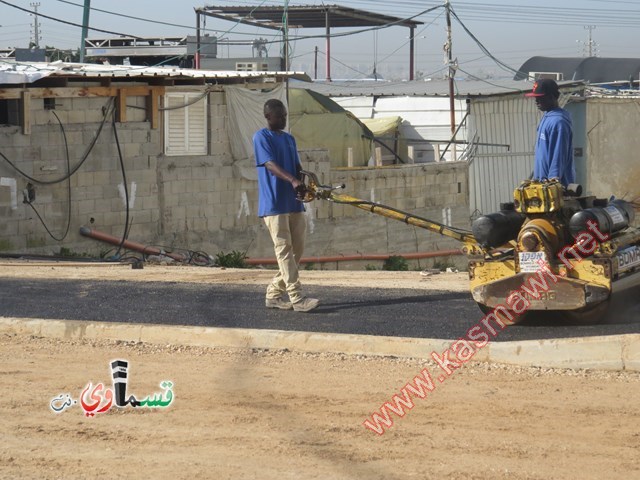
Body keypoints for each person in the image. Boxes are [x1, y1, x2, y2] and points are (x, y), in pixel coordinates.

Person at [253, 99, 320, 313]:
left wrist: (304, 182)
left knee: (297, 251)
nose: (283, 119)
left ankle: (273, 294)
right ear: (268, 116)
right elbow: (270, 165)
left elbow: (297, 167)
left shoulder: (289, 139)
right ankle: (297, 297)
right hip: (274, 204)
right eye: (279, 115)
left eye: (285, 115)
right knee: (284, 251)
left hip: (293, 203)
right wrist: (292, 181)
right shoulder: (261, 137)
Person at [525, 78, 576, 187]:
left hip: (555, 189)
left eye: (540, 98)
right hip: (542, 185)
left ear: (553, 97)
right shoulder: (547, 117)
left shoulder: (558, 122)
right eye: (535, 97)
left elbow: (558, 155)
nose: (536, 101)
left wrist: (553, 182)